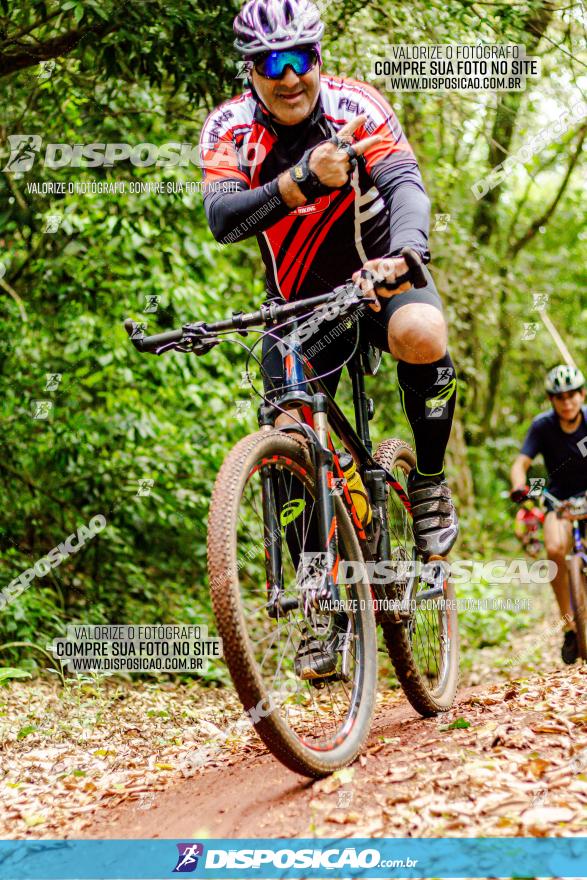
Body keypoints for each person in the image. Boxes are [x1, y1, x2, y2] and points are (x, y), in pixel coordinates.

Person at [200, 0, 458, 676]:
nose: (288, 77)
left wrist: (403, 253)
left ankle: (427, 484)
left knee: (422, 330)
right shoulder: (230, 129)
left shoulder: (356, 108)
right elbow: (224, 219)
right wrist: (301, 181)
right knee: (288, 431)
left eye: (300, 58)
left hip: (376, 277)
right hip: (296, 304)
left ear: (318, 57)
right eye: (269, 63)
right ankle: (324, 602)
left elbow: (405, 184)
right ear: (249, 70)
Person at [510, 365, 587, 664]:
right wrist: (519, 484)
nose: (567, 402)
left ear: (581, 395)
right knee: (554, 549)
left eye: (572, 395)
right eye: (560, 397)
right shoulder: (542, 426)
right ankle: (569, 625)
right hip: (559, 500)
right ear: (552, 400)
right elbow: (521, 462)